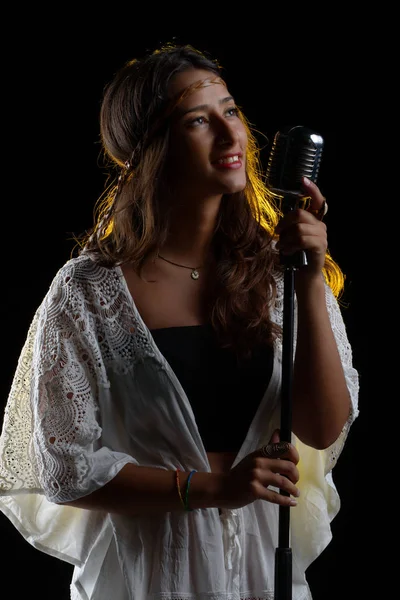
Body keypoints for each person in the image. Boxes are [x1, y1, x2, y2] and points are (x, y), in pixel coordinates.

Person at [0, 42, 359, 600]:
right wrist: (216, 488)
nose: (229, 134)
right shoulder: (89, 292)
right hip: (141, 575)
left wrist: (310, 280)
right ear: (149, 150)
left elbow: (321, 427)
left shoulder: (277, 276)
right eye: (198, 119)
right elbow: (66, 469)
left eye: (231, 112)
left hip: (260, 570)